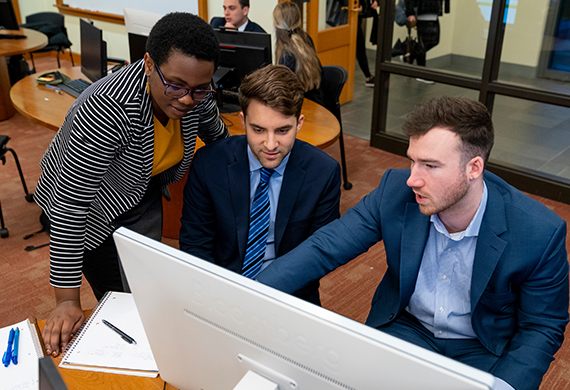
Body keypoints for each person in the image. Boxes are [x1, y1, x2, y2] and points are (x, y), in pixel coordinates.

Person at [257, 96, 569, 390]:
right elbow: (326, 247)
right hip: (407, 327)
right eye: (413, 161)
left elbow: (542, 327)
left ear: (474, 168)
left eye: (430, 166)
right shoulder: (395, 189)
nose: (413, 179)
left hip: (482, 346)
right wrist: (252, 292)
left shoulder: (538, 231)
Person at [35, 12, 229, 357]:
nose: (186, 99)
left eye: (200, 89)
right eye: (176, 86)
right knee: (120, 304)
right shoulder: (106, 108)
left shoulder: (195, 90)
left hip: (140, 190)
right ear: (149, 63)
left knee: (144, 288)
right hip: (89, 211)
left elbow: (218, 138)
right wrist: (66, 299)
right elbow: (70, 203)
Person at [179, 64, 341, 305]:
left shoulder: (324, 173)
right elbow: (195, 244)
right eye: (258, 129)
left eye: (283, 130)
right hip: (221, 289)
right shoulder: (209, 164)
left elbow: (317, 255)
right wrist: (221, 297)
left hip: (290, 294)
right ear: (243, 121)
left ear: (299, 123)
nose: (271, 144)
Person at [273, 1, 325, 107]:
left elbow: (284, 91)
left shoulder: (286, 54)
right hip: (315, 100)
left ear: (277, 25)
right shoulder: (305, 39)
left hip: (300, 107)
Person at [406, 0, 450, 83]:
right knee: (423, 45)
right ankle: (421, 74)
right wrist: (410, 12)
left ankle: (410, 57)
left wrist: (446, 8)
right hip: (423, 12)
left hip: (435, 13)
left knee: (434, 41)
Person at [356, 0, 378, 87]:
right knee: (359, 46)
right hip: (348, 14)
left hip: (356, 14)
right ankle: (368, 76)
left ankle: (368, 76)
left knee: (359, 46)